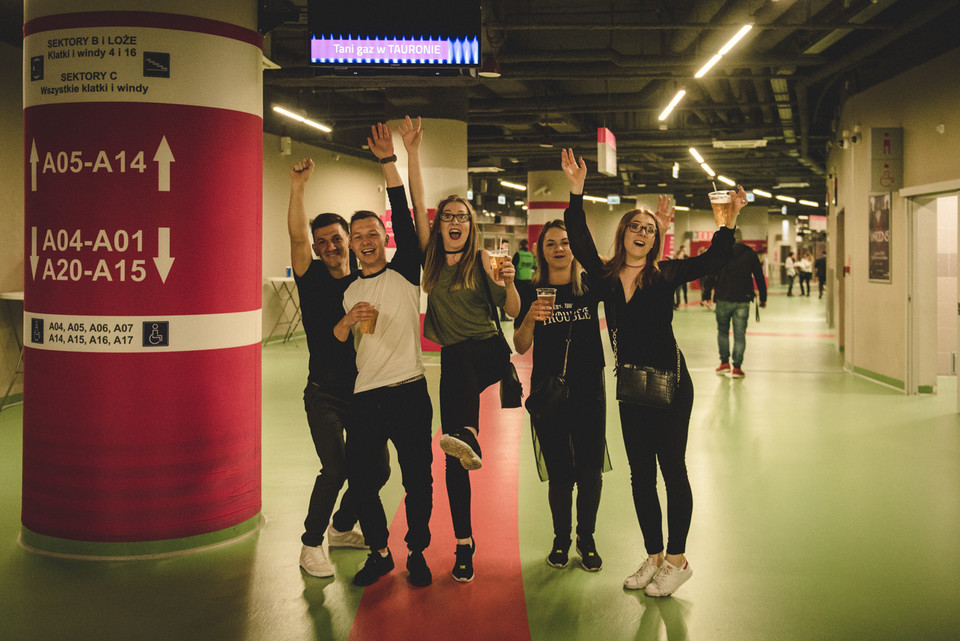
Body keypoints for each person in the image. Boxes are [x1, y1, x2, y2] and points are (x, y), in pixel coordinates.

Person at [561, 148, 745, 598]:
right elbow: (579, 239)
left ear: (655, 238)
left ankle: (678, 559)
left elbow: (713, 260)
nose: (641, 233)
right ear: (623, 234)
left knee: (673, 470)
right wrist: (576, 191)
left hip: (672, 385)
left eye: (649, 229)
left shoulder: (663, 275)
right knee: (640, 476)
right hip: (632, 387)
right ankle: (654, 555)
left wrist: (730, 218)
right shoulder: (605, 278)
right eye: (635, 227)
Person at [334, 119, 434, 588]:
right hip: (366, 396)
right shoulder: (348, 291)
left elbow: (404, 209)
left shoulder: (405, 273)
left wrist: (390, 161)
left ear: (383, 237)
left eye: (372, 231)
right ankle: (378, 550)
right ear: (351, 246)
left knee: (418, 480)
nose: (365, 239)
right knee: (363, 479)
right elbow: (338, 338)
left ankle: (416, 550)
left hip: (410, 391)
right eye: (357, 235)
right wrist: (348, 320)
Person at [286, 159, 391, 578]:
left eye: (336, 239)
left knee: (379, 469)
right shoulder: (310, 278)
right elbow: (295, 233)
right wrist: (298, 187)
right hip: (325, 393)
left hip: (365, 391)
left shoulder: (366, 280)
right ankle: (311, 544)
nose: (329, 247)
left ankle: (343, 526)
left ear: (350, 241)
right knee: (336, 467)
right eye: (321, 242)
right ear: (314, 249)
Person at [419, 191, 520, 583]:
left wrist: (510, 283)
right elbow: (413, 197)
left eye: (462, 216)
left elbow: (511, 311)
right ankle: (464, 543)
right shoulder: (431, 261)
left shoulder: (482, 260)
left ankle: (468, 434)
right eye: (448, 217)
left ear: (470, 225)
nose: (455, 222)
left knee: (455, 354)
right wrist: (408, 155)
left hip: (488, 352)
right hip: (457, 363)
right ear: (439, 223)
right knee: (452, 454)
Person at [513, 220, 608, 572]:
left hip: (588, 390)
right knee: (560, 474)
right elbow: (520, 345)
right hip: (548, 392)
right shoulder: (530, 289)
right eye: (550, 243)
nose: (558, 249)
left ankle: (587, 538)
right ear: (541, 251)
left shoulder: (590, 286)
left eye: (565, 242)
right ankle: (561, 539)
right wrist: (531, 321)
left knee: (590, 472)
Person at [713, 231, 767, 379]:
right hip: (743, 300)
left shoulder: (720, 253)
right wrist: (763, 297)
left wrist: (706, 295)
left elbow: (710, 273)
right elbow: (759, 276)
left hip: (723, 298)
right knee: (739, 335)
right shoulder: (750, 254)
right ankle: (737, 368)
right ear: (742, 239)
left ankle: (724, 363)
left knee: (722, 331)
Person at [672, 245, 689, 309]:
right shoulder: (674, 261)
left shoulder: (684, 262)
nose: (682, 255)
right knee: (673, 293)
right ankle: (673, 304)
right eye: (681, 254)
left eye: (683, 254)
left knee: (678, 292)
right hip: (673, 279)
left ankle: (678, 303)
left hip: (680, 280)